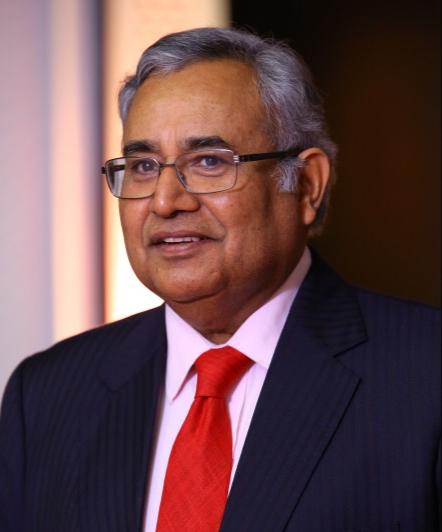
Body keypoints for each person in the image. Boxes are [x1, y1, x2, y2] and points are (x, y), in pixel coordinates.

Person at [0, 27, 439, 532]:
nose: (165, 201)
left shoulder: (425, 378)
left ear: (306, 185)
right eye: (143, 166)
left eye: (209, 162)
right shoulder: (46, 396)